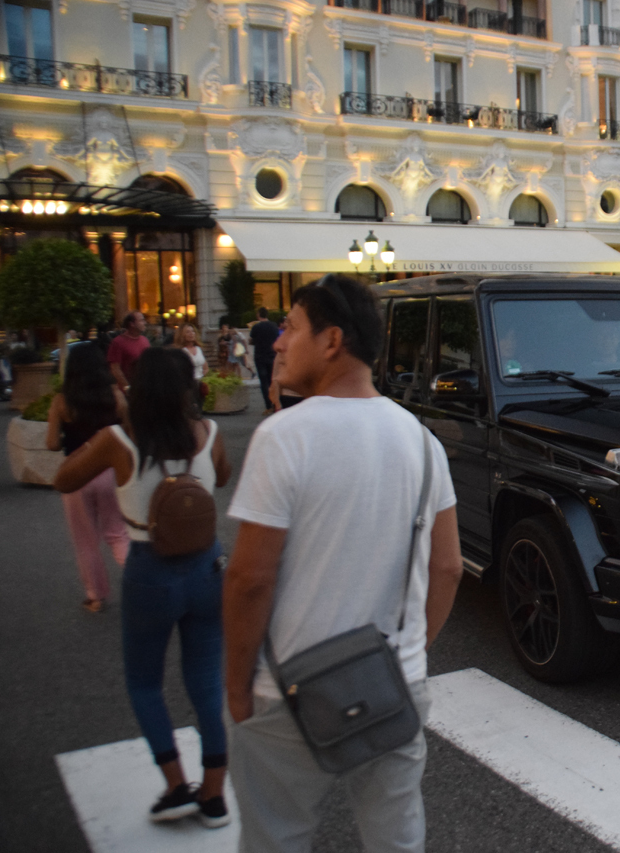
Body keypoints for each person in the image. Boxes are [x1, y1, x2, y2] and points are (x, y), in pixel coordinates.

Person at [223, 274, 464, 852]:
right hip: (391, 683)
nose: (277, 342)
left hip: (286, 688)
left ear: (331, 340)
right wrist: (411, 649)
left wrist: (234, 685)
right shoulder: (422, 439)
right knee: (395, 837)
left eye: (290, 327)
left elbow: (250, 579)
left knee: (276, 835)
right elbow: (448, 566)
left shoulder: (284, 436)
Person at [53, 347, 233, 826]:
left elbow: (63, 477)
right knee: (206, 683)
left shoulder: (119, 440)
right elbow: (225, 477)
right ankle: (214, 794)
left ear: (138, 389)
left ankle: (176, 784)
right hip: (207, 569)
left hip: (150, 570)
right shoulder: (209, 432)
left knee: (144, 682)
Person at [45, 345, 129, 612]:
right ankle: (144, 585)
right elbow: (127, 433)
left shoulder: (61, 401)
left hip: (76, 474)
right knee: (118, 533)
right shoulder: (115, 396)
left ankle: (95, 596)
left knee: (85, 539)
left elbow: (51, 444)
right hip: (110, 472)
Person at [108, 311, 150, 392]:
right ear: (132, 324)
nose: (145, 323)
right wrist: (127, 387)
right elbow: (115, 368)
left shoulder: (145, 340)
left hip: (144, 388)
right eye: (141, 320)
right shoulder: (118, 342)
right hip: (128, 391)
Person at [250, 307, 280, 413]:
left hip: (260, 356)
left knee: (263, 382)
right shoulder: (274, 326)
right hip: (272, 355)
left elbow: (251, 340)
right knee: (272, 380)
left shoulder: (256, 327)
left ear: (258, 314)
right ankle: (275, 403)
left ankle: (268, 405)